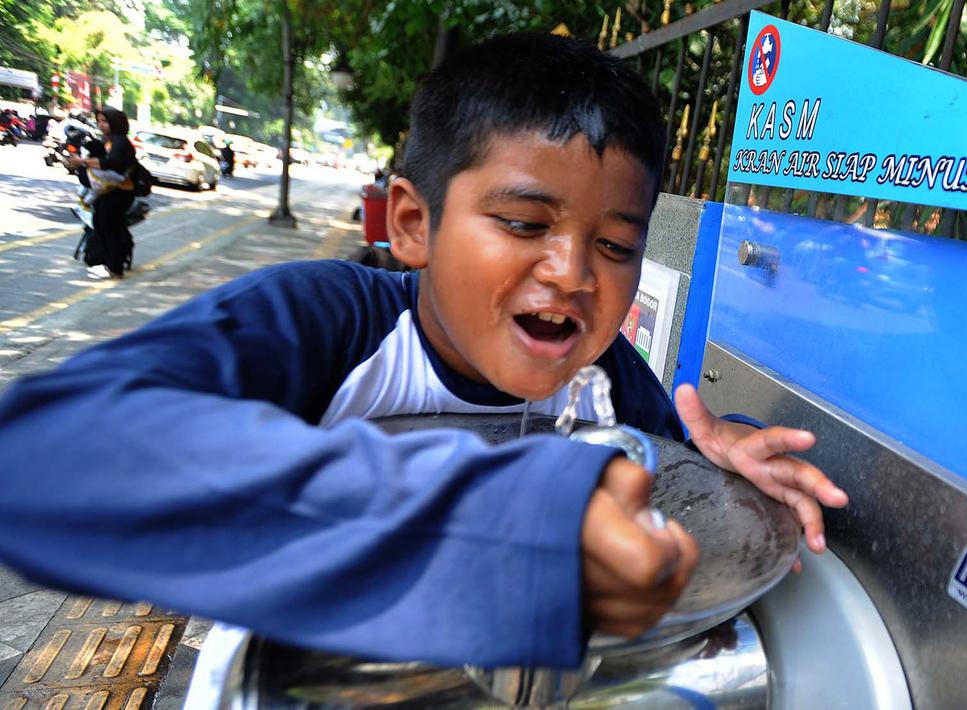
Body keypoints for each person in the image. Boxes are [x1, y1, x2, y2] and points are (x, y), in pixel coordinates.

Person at [0, 32, 846, 688]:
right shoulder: (319, 323)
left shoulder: (602, 378)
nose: (573, 273)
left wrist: (720, 451)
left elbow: (670, 479)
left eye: (617, 245)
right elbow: (43, 458)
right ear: (412, 223)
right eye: (523, 224)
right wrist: (501, 537)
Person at [66, 108, 136, 279]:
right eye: (99, 121)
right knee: (102, 224)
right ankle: (112, 261)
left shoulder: (120, 141)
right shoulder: (108, 140)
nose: (101, 124)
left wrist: (82, 161)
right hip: (107, 191)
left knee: (110, 227)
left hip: (119, 192)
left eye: (105, 121)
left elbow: (112, 162)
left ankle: (115, 267)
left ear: (115, 122)